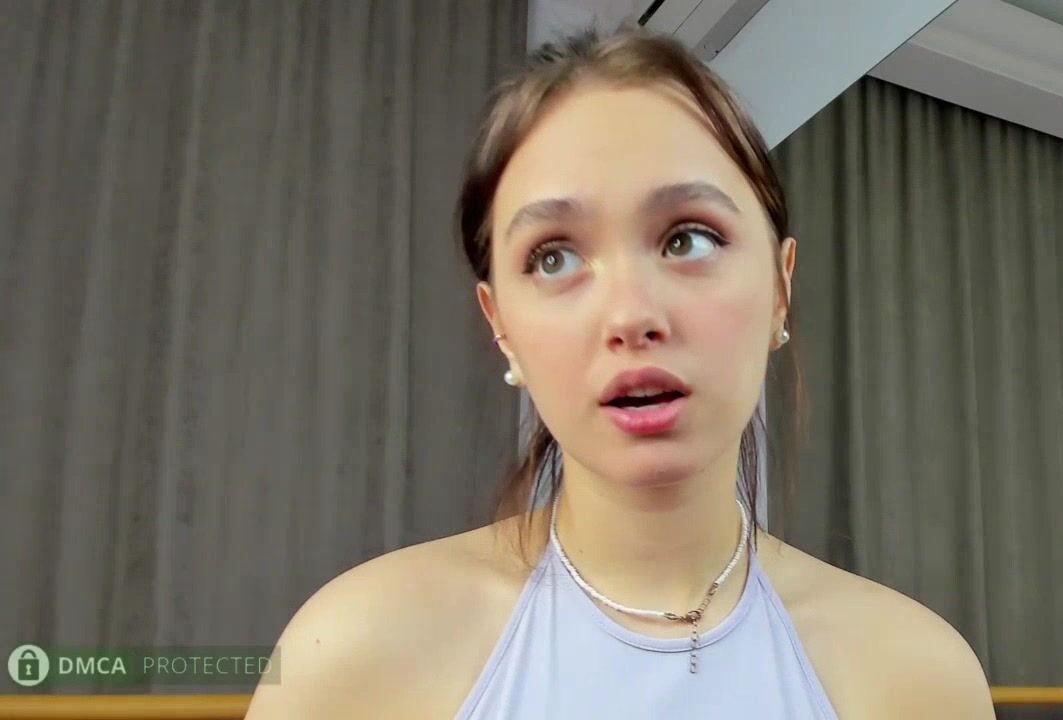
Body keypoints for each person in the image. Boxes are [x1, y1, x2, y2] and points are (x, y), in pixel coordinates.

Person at [245, 24, 996, 719]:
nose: (631, 315)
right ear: (501, 325)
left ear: (779, 287)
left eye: (689, 239)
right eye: (554, 257)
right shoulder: (353, 654)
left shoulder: (917, 677)